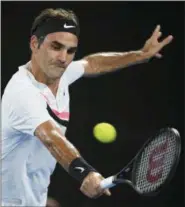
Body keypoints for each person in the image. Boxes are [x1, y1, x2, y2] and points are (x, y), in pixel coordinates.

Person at [2, 8, 173, 207]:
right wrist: (86, 173)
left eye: (70, 50)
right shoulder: (23, 93)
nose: (63, 58)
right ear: (35, 44)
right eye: (55, 47)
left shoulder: (60, 72)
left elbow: (91, 64)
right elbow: (51, 137)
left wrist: (140, 55)